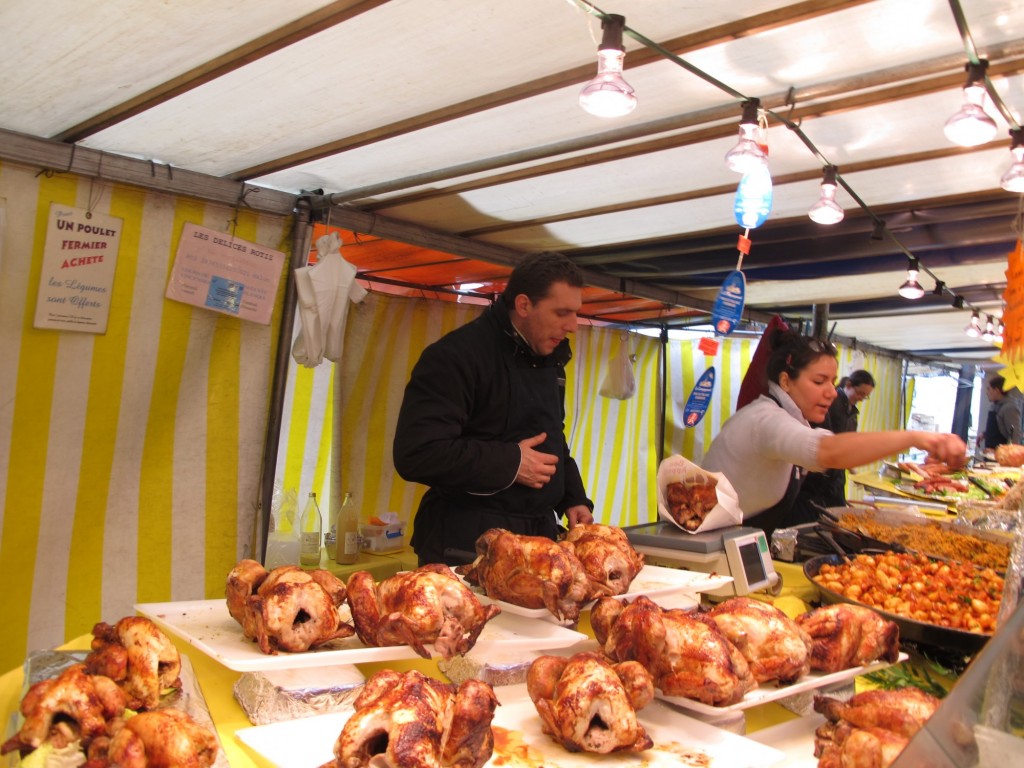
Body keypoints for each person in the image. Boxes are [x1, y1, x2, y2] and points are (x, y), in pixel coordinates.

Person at [393, 252, 595, 566]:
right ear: (525, 305)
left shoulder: (550, 361)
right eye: (562, 313)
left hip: (537, 542)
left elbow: (552, 438)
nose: (573, 326)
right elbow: (417, 453)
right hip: (467, 549)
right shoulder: (455, 356)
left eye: (575, 313)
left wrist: (573, 497)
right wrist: (512, 462)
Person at [701, 330, 966, 538]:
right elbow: (828, 451)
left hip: (741, 539)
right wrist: (917, 438)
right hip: (710, 546)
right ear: (785, 382)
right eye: (819, 381)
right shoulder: (765, 420)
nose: (830, 391)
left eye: (832, 380)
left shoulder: (793, 419)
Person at [790, 369, 876, 520]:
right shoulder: (831, 405)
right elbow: (828, 445)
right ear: (848, 385)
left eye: (866, 396)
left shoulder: (852, 413)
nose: (862, 398)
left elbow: (848, 446)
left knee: (836, 516)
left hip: (836, 475)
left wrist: (856, 472)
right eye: (861, 393)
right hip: (818, 477)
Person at [980, 374, 1024, 449]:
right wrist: (985, 434)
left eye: (989, 389)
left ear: (996, 391)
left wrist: (1002, 453)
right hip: (990, 454)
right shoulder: (995, 406)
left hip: (1001, 457)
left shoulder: (1010, 408)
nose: (987, 393)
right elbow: (999, 428)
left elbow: (1015, 436)